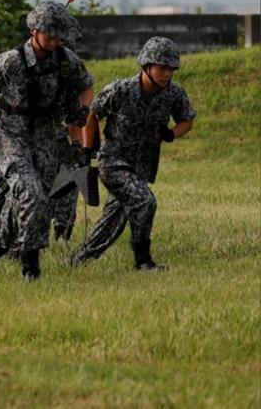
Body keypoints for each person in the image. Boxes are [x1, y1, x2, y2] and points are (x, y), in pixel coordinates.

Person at [0, 1, 94, 280]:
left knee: (30, 202)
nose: (55, 41)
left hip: (46, 135)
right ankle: (30, 265)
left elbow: (86, 85)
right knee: (31, 193)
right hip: (10, 134)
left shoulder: (65, 60)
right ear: (34, 32)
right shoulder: (11, 61)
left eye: (59, 36)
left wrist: (81, 121)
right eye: (50, 35)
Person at [70, 36, 195, 270]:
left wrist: (170, 134)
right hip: (113, 162)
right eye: (162, 68)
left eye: (171, 69)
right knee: (144, 201)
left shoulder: (174, 94)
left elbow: (187, 121)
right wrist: (87, 151)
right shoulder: (120, 90)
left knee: (114, 220)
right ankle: (143, 262)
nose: (167, 74)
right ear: (146, 66)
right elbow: (91, 115)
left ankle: (79, 261)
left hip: (142, 166)